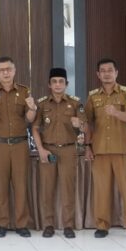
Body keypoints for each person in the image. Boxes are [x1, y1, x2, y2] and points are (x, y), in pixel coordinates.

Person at [84, 58, 126, 240]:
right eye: (103, 70)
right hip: (99, 150)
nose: (107, 73)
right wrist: (87, 146)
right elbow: (87, 122)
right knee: (101, 190)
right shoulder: (93, 96)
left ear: (116, 73)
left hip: (121, 149)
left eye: (110, 70)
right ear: (98, 74)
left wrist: (116, 113)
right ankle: (102, 225)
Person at [0, 56, 37, 238]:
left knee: (21, 185)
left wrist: (32, 109)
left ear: (14, 71)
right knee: (1, 185)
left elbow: (29, 119)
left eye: (8, 69)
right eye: (1, 70)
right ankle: (2, 223)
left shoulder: (24, 91)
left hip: (20, 144)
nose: (5, 72)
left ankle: (22, 224)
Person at [31, 67, 85, 238]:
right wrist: (40, 149)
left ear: (66, 84)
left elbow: (85, 128)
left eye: (61, 81)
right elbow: (35, 128)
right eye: (54, 81)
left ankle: (68, 225)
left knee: (68, 189)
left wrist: (80, 125)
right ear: (49, 84)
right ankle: (49, 225)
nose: (58, 84)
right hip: (48, 149)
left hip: (69, 149)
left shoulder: (76, 103)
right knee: (47, 189)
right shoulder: (42, 104)